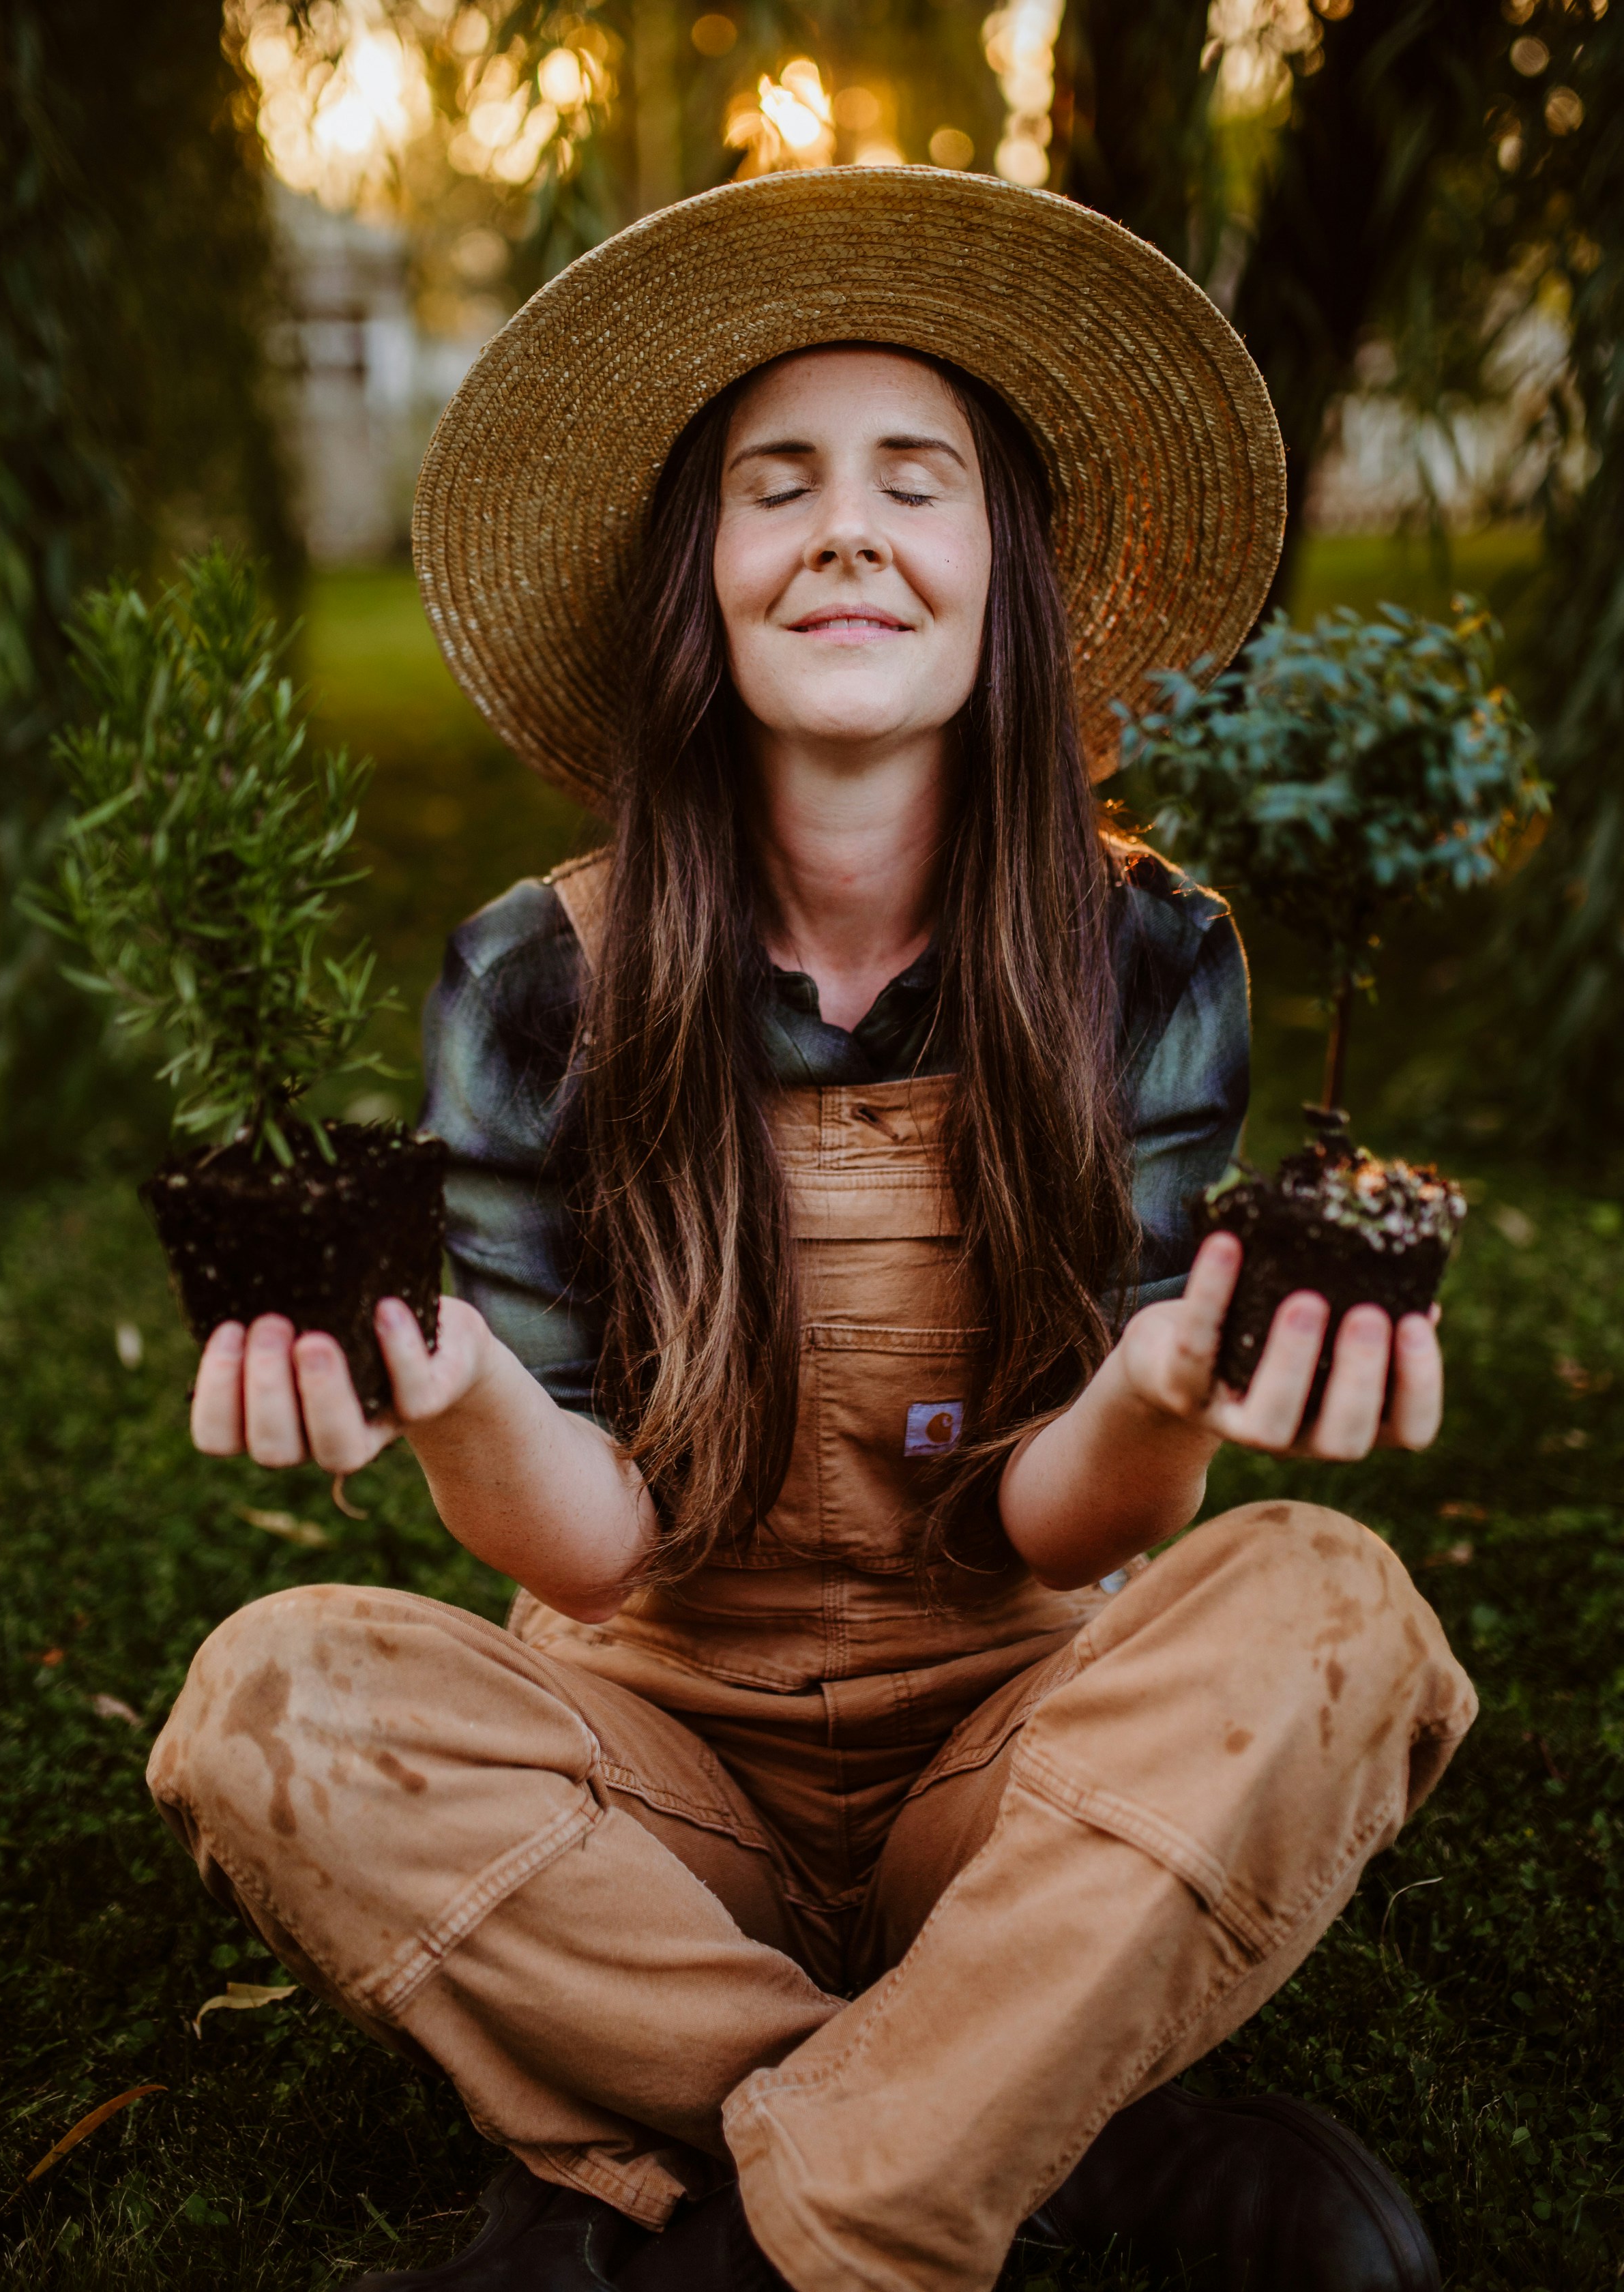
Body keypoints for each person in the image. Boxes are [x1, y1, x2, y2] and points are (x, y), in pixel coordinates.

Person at [146, 169, 1475, 2292]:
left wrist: (1161, 1382)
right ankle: (1045, 2148)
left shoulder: (1151, 961)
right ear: (704, 582)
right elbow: (591, 1551)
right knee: (266, 1703)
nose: (847, 527)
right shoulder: (534, 981)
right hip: (649, 1776)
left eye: (914, 482)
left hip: (1010, 1771)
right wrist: (459, 1383)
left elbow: (1059, 1537)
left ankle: (736, 2226)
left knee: (1335, 1614)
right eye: (779, 486)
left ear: (1007, 575)